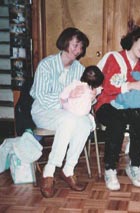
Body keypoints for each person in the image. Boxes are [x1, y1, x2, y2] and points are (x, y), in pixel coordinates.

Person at [94, 26, 140, 191]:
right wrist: (131, 85)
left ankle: (135, 165)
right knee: (116, 121)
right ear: (134, 39)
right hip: (106, 103)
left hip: (128, 106)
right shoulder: (113, 58)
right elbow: (103, 86)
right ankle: (110, 168)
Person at [30, 27, 90, 198]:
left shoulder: (79, 69)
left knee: (85, 123)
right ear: (65, 42)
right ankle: (49, 172)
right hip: (43, 111)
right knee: (69, 120)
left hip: (68, 113)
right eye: (75, 45)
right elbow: (41, 97)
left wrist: (90, 97)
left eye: (81, 48)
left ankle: (68, 169)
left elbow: (81, 96)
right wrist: (66, 98)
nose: (78, 51)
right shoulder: (46, 65)